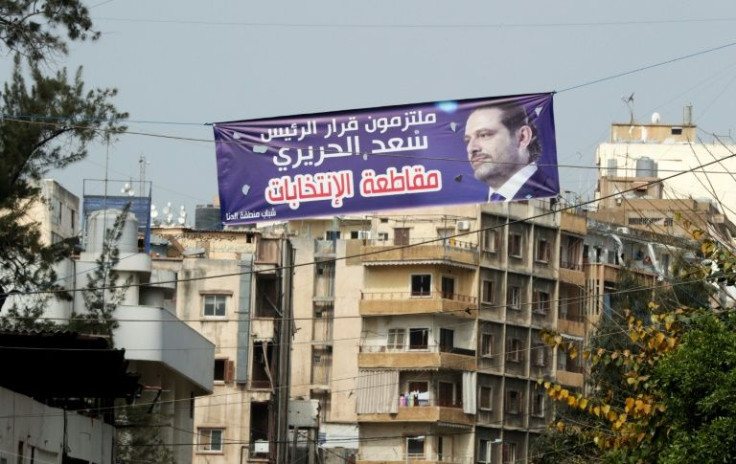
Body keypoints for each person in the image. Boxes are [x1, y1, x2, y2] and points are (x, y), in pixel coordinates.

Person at [464, 103, 557, 202]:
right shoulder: (481, 202)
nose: (471, 148)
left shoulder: (549, 194)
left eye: (484, 135)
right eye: (467, 140)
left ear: (522, 137)